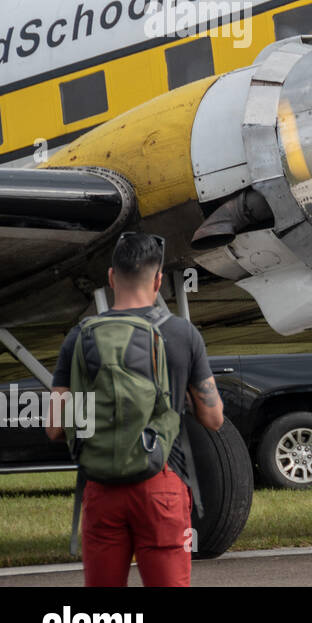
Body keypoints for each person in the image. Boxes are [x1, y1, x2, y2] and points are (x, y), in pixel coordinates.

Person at [45, 232, 223, 587]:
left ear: (111, 277)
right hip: (162, 484)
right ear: (158, 281)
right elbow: (213, 418)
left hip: (100, 488)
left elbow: (54, 427)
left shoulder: (80, 336)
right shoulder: (182, 334)